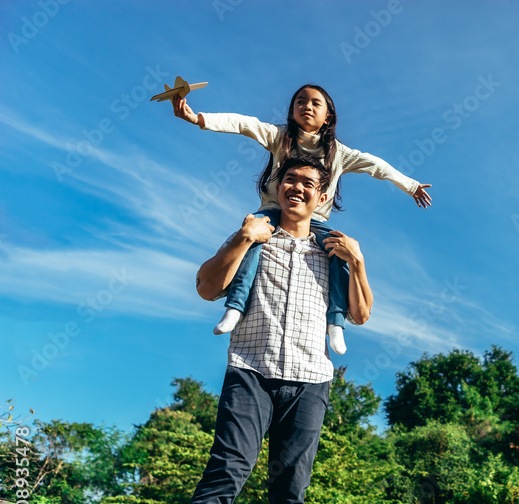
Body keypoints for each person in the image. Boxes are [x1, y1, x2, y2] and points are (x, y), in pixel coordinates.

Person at [154, 155, 372, 504]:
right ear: (276, 187)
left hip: (311, 381)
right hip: (250, 371)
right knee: (225, 477)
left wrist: (357, 263)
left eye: (309, 182)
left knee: (290, 496)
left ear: (323, 197)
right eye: (289, 178)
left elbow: (360, 314)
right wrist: (243, 239)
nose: (297, 186)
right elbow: (207, 286)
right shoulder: (253, 232)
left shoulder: (333, 249)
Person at [170, 83, 430, 354]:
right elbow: (243, 124)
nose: (307, 106)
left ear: (328, 116)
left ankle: (336, 323)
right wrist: (198, 118)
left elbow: (375, 165)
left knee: (338, 250)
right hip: (273, 210)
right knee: (253, 238)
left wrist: (410, 185)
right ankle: (235, 307)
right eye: (300, 101)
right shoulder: (280, 136)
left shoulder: (338, 153)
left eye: (316, 103)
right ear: (292, 110)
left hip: (315, 219)